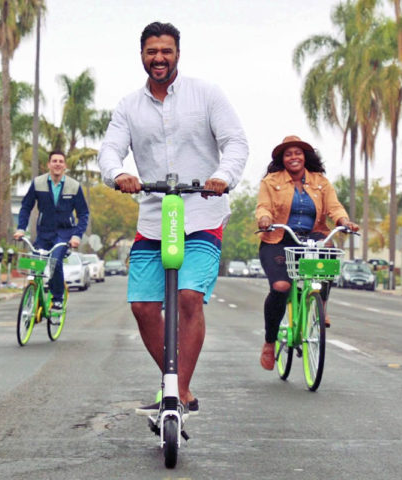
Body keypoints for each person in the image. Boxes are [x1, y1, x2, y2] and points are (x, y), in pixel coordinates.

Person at [98, 21, 248, 415]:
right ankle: (174, 382)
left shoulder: (207, 94)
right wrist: (119, 174)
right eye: (151, 52)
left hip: (201, 213)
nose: (159, 58)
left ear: (178, 53)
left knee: (187, 296)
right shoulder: (128, 106)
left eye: (166, 51)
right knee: (143, 307)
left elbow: (235, 142)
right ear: (142, 55)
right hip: (153, 216)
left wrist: (222, 177)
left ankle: (178, 391)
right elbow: (110, 150)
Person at [255, 135, 358, 370]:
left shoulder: (320, 181)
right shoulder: (271, 181)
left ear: (305, 157)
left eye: (298, 153)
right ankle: (270, 342)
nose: (294, 157)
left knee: (329, 252)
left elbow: (334, 207)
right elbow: (263, 206)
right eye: (288, 154)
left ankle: (321, 303)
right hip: (279, 238)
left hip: (312, 235)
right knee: (282, 287)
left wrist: (344, 220)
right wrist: (264, 218)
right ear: (282, 159)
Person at [13, 150, 89, 310]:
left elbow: (83, 213)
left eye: (61, 161)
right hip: (44, 233)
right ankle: (34, 294)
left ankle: (57, 299)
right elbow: (26, 207)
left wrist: (77, 235)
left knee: (55, 262)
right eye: (54, 161)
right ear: (48, 165)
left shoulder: (74, 186)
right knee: (35, 264)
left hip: (64, 234)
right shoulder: (38, 183)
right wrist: (21, 228)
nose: (57, 164)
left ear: (65, 166)